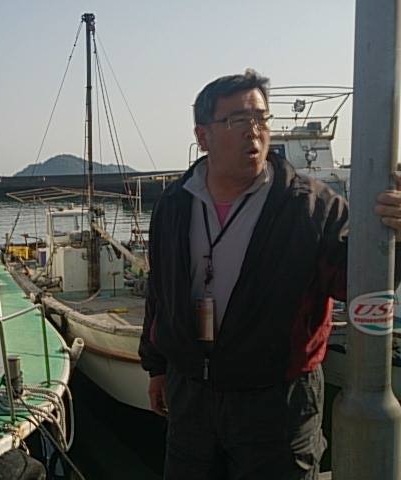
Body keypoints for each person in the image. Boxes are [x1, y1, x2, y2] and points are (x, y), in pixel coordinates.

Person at [138, 69, 401, 480]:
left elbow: (357, 285)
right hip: (191, 394)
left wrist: (395, 239)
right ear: (203, 136)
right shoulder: (174, 203)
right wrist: (156, 366)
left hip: (278, 401)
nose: (254, 131)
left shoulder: (312, 206)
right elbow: (161, 291)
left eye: (261, 118)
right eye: (237, 120)